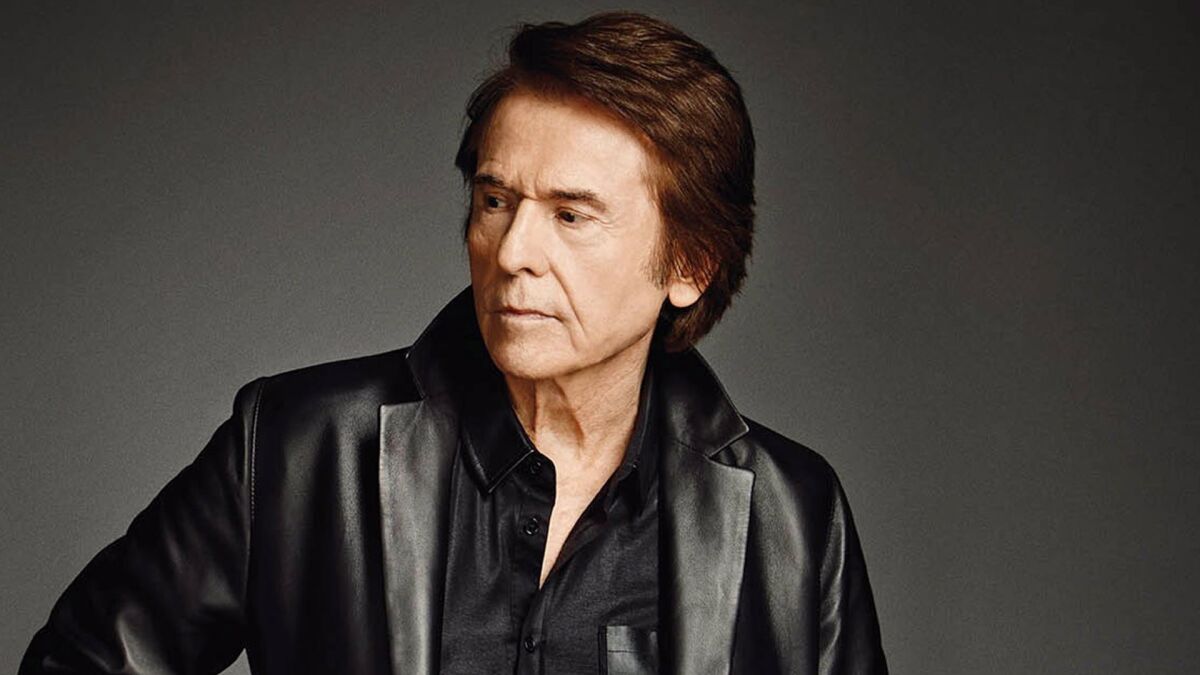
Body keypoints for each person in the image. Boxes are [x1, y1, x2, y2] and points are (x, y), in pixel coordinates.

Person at [22, 12, 887, 675]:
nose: (512, 253)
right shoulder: (296, 445)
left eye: (571, 215)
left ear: (690, 264)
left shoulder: (793, 514)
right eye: (496, 201)